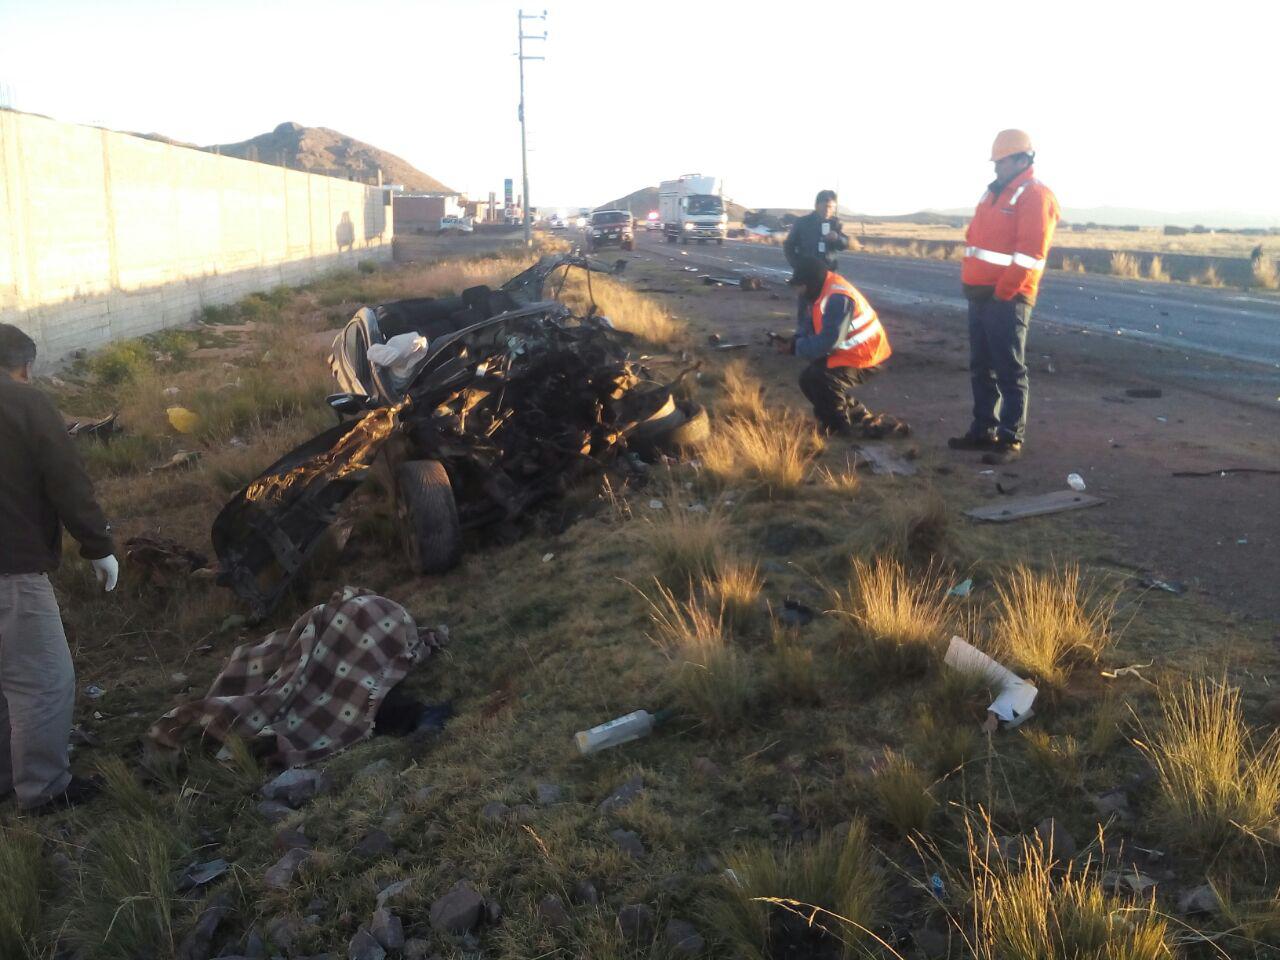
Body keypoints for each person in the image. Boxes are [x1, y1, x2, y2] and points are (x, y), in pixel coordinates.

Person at [0, 323, 117, 813]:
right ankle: (44, 789)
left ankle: (7, 778)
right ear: (24, 366)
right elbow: (66, 480)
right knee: (43, 678)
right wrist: (98, 545)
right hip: (12, 569)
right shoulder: (25, 404)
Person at [949, 129, 1060, 465]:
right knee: (981, 366)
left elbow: (1030, 254)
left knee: (1009, 368)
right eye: (995, 161)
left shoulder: (1034, 195)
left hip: (1006, 298)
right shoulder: (993, 193)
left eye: (1001, 161)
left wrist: (1003, 293)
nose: (996, 167)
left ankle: (1011, 438)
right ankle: (984, 429)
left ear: (1021, 159)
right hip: (981, 295)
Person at [775, 257, 891, 434]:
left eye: (801, 286)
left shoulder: (838, 298)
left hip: (867, 353)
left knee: (822, 379)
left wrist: (795, 347)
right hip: (848, 350)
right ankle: (856, 414)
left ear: (811, 283)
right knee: (808, 379)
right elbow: (810, 324)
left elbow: (829, 341)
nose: (798, 292)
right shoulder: (819, 292)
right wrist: (795, 340)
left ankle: (838, 427)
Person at [784, 189, 851, 272]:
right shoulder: (802, 222)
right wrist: (797, 265)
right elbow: (789, 245)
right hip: (806, 272)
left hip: (828, 273)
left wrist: (837, 238)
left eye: (831, 207)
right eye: (825, 206)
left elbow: (844, 244)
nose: (828, 210)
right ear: (816, 205)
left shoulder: (835, 224)